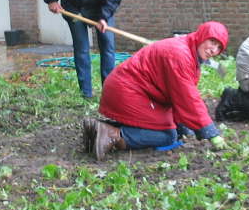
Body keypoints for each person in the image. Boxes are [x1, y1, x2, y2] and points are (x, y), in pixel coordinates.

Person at [85, 21, 229, 160]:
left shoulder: (189, 51)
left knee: (170, 127)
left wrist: (184, 127)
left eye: (218, 48)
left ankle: (99, 129)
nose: (213, 50)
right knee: (167, 135)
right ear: (202, 36)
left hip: (132, 89)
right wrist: (210, 132)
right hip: (127, 91)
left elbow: (176, 95)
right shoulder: (181, 55)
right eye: (212, 42)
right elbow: (188, 99)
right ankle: (113, 135)